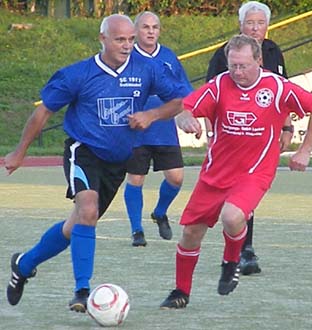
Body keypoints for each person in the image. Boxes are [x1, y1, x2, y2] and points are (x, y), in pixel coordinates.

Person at [4, 14, 185, 313]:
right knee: (87, 210)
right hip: (83, 150)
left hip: (118, 161)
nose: (127, 46)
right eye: (120, 40)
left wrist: (152, 115)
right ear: (102, 39)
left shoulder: (146, 70)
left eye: (130, 39)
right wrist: (20, 151)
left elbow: (179, 100)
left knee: (76, 224)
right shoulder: (77, 75)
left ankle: (24, 264)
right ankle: (82, 292)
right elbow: (43, 113)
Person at [160, 34, 312, 309]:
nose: (237, 72)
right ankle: (181, 292)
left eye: (243, 65)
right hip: (215, 173)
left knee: (232, 215)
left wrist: (305, 150)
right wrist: (185, 117)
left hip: (254, 172)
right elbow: (186, 106)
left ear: (259, 61)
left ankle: (231, 260)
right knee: (191, 234)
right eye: (232, 65)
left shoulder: (277, 87)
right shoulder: (219, 84)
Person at [205, 1, 293, 275]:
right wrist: (211, 132)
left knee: (247, 192)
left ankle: (245, 249)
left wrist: (287, 127)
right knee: (235, 193)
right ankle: (242, 250)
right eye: (250, 23)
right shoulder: (225, 54)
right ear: (240, 25)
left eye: (260, 23)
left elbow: (284, 92)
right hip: (234, 134)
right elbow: (210, 94)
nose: (256, 28)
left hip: (264, 135)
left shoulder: (273, 50)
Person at [124, 11, 193, 247]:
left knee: (176, 178)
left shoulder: (168, 57)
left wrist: (188, 116)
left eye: (155, 27)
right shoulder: (127, 56)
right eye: (145, 27)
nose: (151, 31)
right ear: (136, 31)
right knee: (136, 178)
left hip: (164, 127)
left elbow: (184, 92)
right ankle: (136, 231)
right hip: (136, 128)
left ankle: (160, 212)